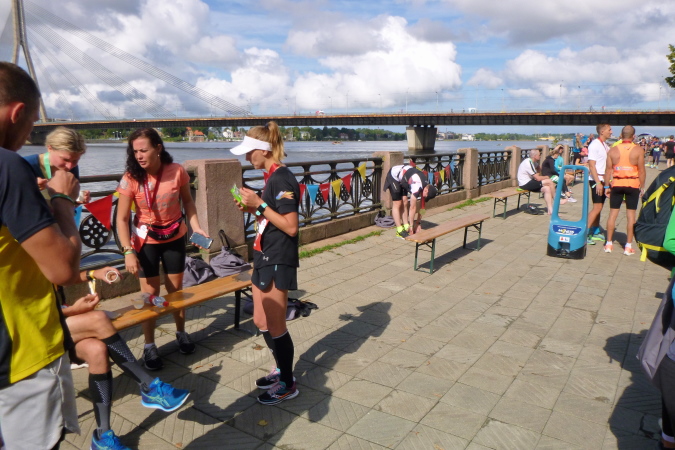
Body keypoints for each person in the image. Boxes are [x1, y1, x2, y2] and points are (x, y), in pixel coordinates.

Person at [0, 62, 82, 449]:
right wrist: (63, 199)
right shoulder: (9, 167)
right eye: (33, 123)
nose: (28, 134)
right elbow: (62, 267)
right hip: (21, 355)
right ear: (18, 112)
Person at [65, 267, 189, 450]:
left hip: (59, 326)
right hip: (35, 338)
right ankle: (149, 385)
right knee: (98, 319)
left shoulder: (39, 258)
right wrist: (72, 311)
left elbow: (61, 276)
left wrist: (93, 274)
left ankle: (102, 436)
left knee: (97, 350)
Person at [116, 128, 209, 371]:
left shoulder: (176, 171)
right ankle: (149, 345)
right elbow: (122, 218)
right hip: (145, 242)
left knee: (175, 290)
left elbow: (188, 202)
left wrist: (197, 227)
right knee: (149, 294)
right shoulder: (131, 178)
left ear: (158, 148)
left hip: (174, 236)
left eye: (144, 150)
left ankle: (181, 333)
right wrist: (127, 251)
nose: (139, 156)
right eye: (135, 151)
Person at [229, 121, 300, 405]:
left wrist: (258, 204)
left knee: (276, 324)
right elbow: (271, 218)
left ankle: (288, 383)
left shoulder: (282, 178)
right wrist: (253, 208)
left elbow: (290, 226)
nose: (247, 157)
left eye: (250, 152)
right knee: (260, 320)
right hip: (263, 254)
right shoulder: (270, 177)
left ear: (264, 150)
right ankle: (281, 369)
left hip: (277, 258)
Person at [602, 125, 645, 256]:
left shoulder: (613, 150)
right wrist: (642, 187)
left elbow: (608, 170)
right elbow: (642, 170)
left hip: (617, 184)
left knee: (612, 214)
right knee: (631, 216)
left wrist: (606, 186)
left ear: (621, 135)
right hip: (633, 184)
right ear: (633, 136)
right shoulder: (638, 150)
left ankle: (608, 244)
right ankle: (628, 246)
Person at [23, 126, 90, 203]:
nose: (69, 166)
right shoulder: (25, 164)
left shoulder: (73, 166)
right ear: (50, 148)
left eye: (76, 160)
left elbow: (67, 204)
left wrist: (76, 201)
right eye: (65, 159)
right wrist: (29, 188)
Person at [383, 164, 438, 238]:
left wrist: (418, 223)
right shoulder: (417, 186)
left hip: (404, 177)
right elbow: (412, 208)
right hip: (394, 175)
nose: (424, 197)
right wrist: (412, 226)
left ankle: (406, 225)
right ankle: (399, 230)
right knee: (397, 203)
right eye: (426, 196)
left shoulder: (425, 186)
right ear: (426, 190)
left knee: (405, 201)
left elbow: (422, 208)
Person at [586, 123, 612, 245]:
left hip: (603, 180)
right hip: (596, 180)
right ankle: (584, 233)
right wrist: (598, 182)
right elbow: (592, 165)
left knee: (599, 207)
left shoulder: (605, 145)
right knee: (597, 207)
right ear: (602, 132)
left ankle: (595, 230)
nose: (611, 132)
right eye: (609, 130)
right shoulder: (594, 145)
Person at [517, 148, 562, 214]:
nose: (540, 156)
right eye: (539, 155)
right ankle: (557, 200)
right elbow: (538, 179)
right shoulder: (528, 163)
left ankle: (550, 210)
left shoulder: (533, 162)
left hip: (530, 182)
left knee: (547, 188)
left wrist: (537, 174)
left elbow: (539, 168)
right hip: (525, 184)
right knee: (549, 181)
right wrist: (547, 177)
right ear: (535, 156)